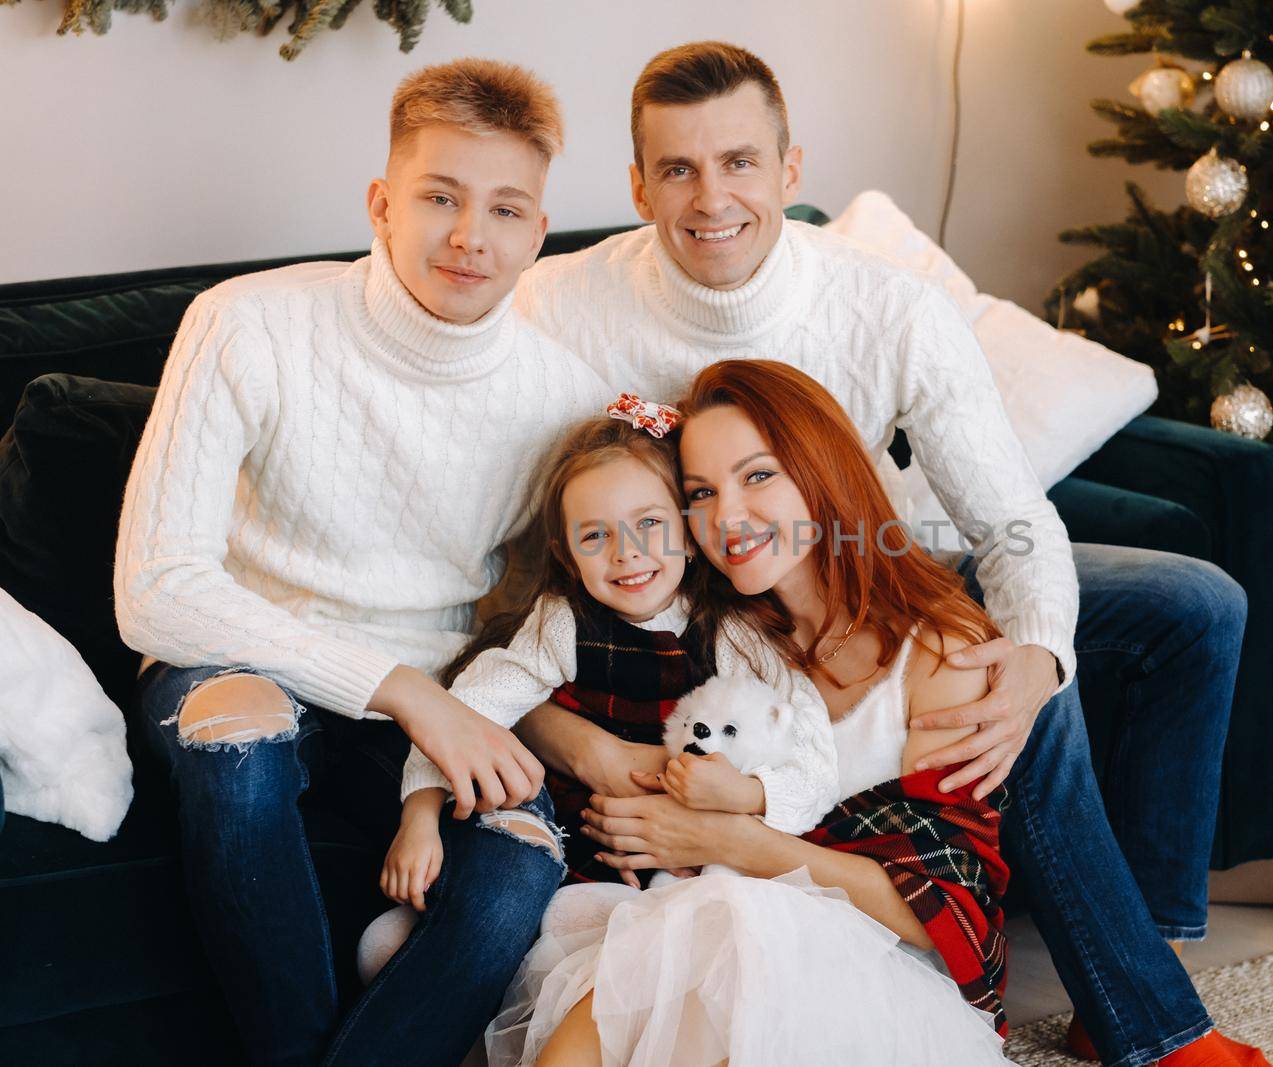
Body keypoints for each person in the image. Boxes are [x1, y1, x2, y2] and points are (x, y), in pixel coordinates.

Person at [513, 42, 1258, 1067]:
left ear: (790, 170)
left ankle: (1138, 974)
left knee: (1174, 612)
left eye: (738, 162)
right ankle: (1155, 1021)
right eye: (676, 169)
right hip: (725, 591)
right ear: (637, 185)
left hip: (884, 559)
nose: (710, 196)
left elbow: (1009, 517)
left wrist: (1037, 654)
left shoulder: (884, 306)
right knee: (1008, 661)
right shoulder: (560, 305)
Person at [113, 58, 611, 1066]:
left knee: (519, 864)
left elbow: (559, 609)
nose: (470, 234)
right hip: (240, 656)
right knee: (239, 749)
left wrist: (478, 712)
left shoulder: (564, 395)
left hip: (442, 682)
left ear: (537, 234)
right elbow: (156, 586)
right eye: (440, 197)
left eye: (505, 210)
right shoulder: (246, 322)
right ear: (383, 204)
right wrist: (401, 691)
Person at [490, 359, 1016, 1067]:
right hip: (700, 924)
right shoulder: (716, 623)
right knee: (705, 937)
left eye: (758, 475)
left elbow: (948, 908)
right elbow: (518, 680)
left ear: (821, 472)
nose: (727, 517)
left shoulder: (941, 654)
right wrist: (593, 750)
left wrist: (723, 839)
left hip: (877, 968)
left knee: (736, 919)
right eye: (700, 492)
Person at [358, 401, 838, 976]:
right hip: (571, 831)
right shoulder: (562, 625)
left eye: (651, 524)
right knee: (391, 942)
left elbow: (813, 754)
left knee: (664, 927)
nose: (627, 552)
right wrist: (419, 819)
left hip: (679, 851)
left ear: (690, 535)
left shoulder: (734, 633)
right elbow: (465, 712)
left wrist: (748, 794)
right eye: (595, 536)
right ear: (567, 553)